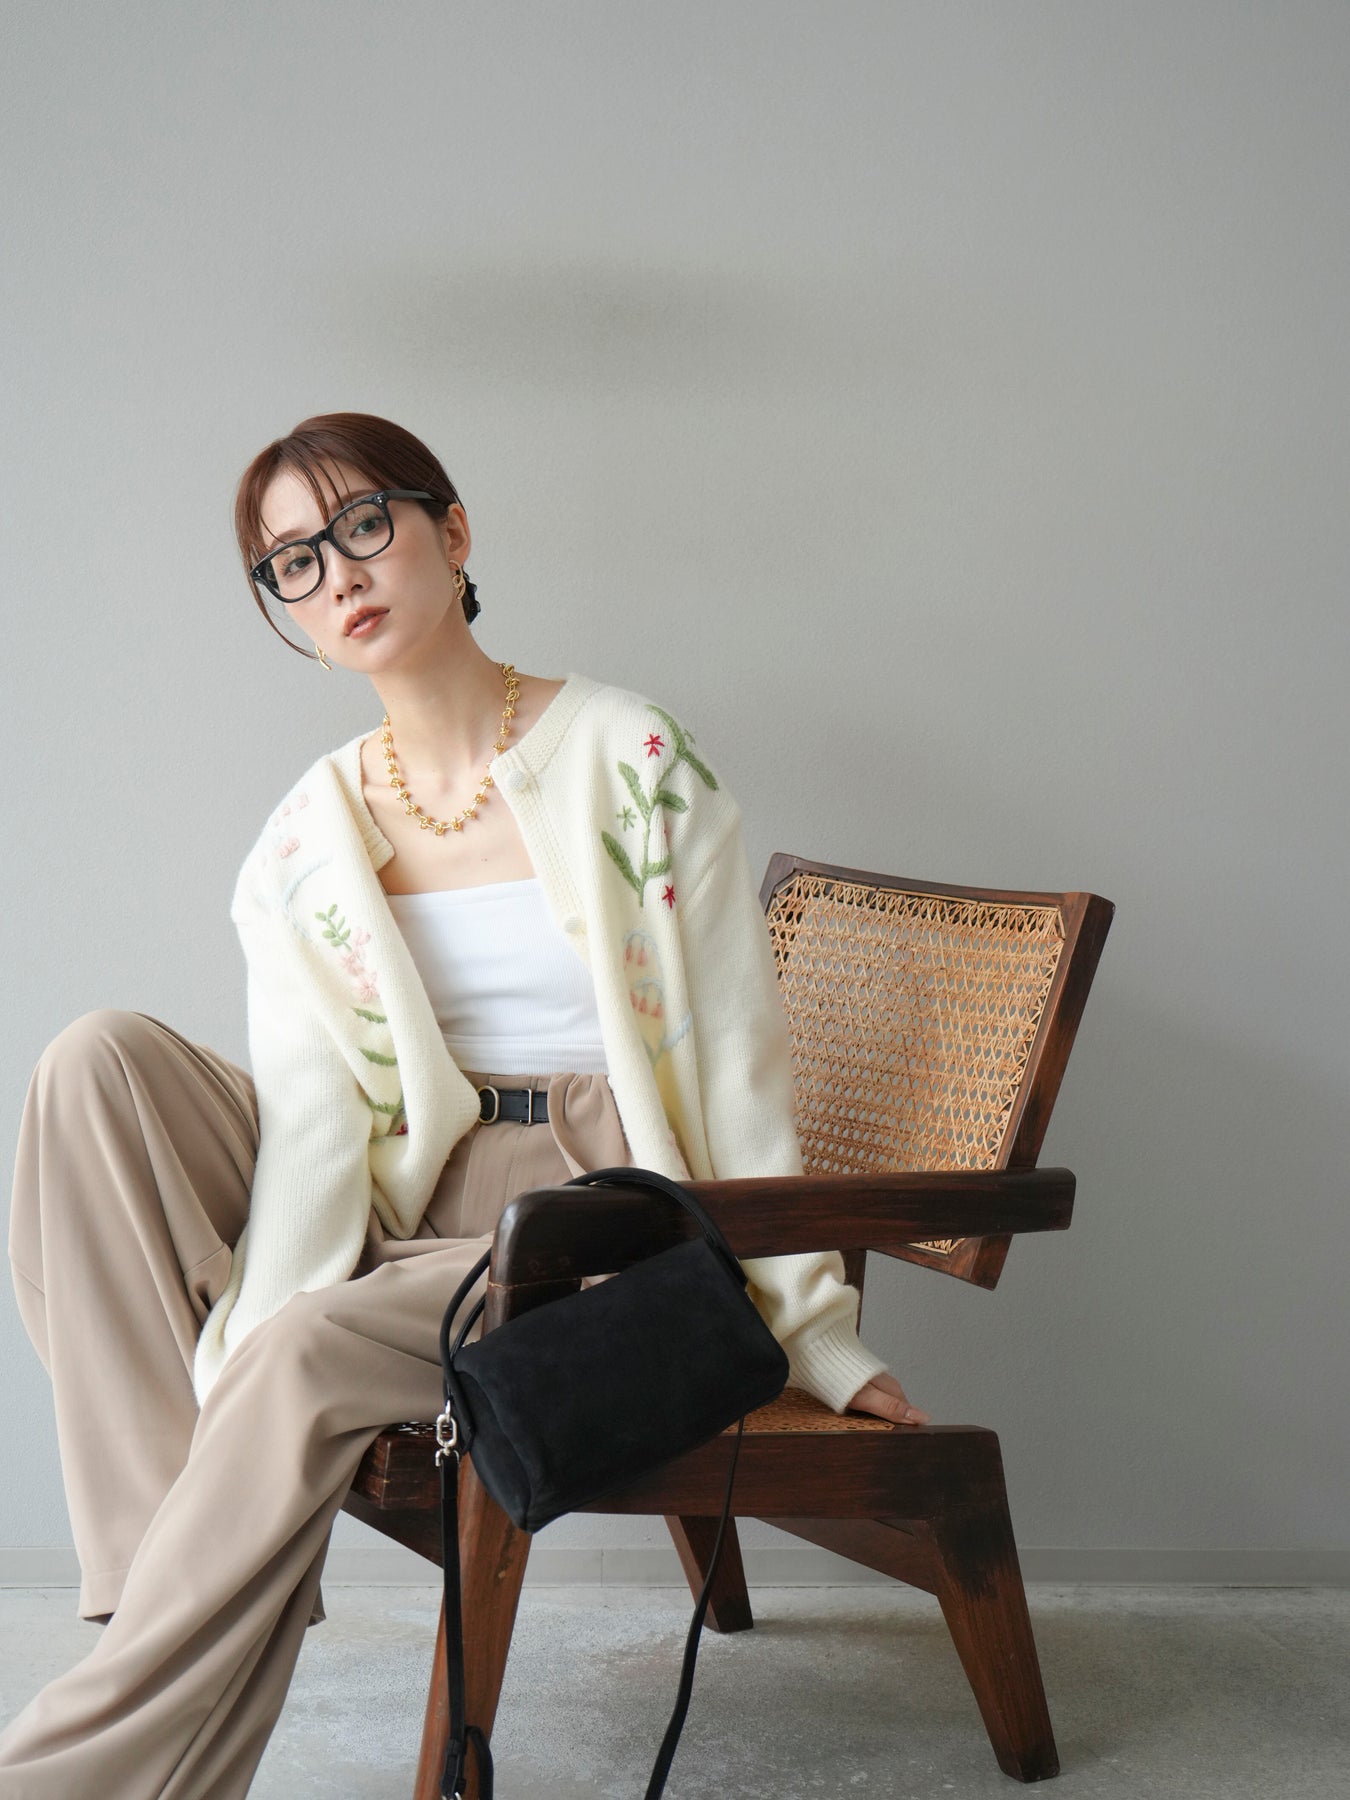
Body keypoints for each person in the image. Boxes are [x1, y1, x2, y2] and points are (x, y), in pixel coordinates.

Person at [0, 411, 929, 1798]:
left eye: (363, 525)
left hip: (598, 1215)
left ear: (453, 530)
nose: (339, 574)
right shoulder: (306, 834)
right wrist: (246, 1328)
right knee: (93, 1064)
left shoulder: (630, 756)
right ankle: (162, 1592)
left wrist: (814, 1332)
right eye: (294, 562)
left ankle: (75, 1762)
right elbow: (315, 1121)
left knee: (302, 1351)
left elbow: (738, 1062)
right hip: (399, 1190)